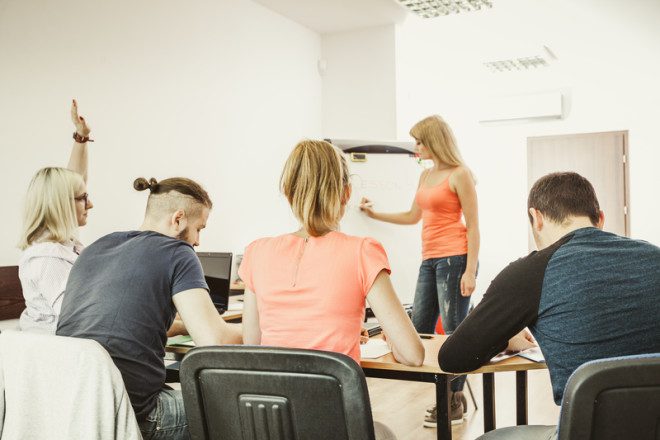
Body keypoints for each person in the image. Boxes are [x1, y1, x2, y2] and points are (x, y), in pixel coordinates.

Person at [438, 172, 660, 440]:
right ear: (600, 218)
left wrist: (506, 340)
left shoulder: (530, 272)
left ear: (537, 218)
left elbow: (453, 357)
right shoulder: (654, 256)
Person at [239, 140, 424, 440]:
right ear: (346, 193)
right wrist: (391, 339)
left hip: (272, 423)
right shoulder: (363, 251)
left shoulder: (256, 252)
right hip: (335, 422)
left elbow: (253, 345)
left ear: (288, 193)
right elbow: (413, 354)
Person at [56, 177, 242, 440]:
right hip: (133, 415)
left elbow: (126, 326)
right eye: (199, 228)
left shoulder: (97, 247)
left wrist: (191, 321)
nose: (199, 241)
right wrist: (255, 329)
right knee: (233, 407)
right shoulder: (177, 251)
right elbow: (214, 341)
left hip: (74, 409)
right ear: (178, 219)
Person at [359, 115, 479, 426]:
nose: (416, 147)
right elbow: (413, 216)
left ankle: (454, 399)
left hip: (455, 259)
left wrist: (470, 270)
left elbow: (474, 226)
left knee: (454, 331)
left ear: (434, 141)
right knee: (420, 325)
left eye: (419, 141)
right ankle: (445, 394)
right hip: (429, 259)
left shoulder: (460, 174)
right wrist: (374, 214)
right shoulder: (425, 177)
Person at [17, 100, 94, 333]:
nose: (90, 204)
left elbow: (75, 180)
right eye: (83, 198)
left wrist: (81, 138)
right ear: (61, 204)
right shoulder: (47, 258)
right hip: (60, 358)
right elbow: (80, 319)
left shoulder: (61, 242)